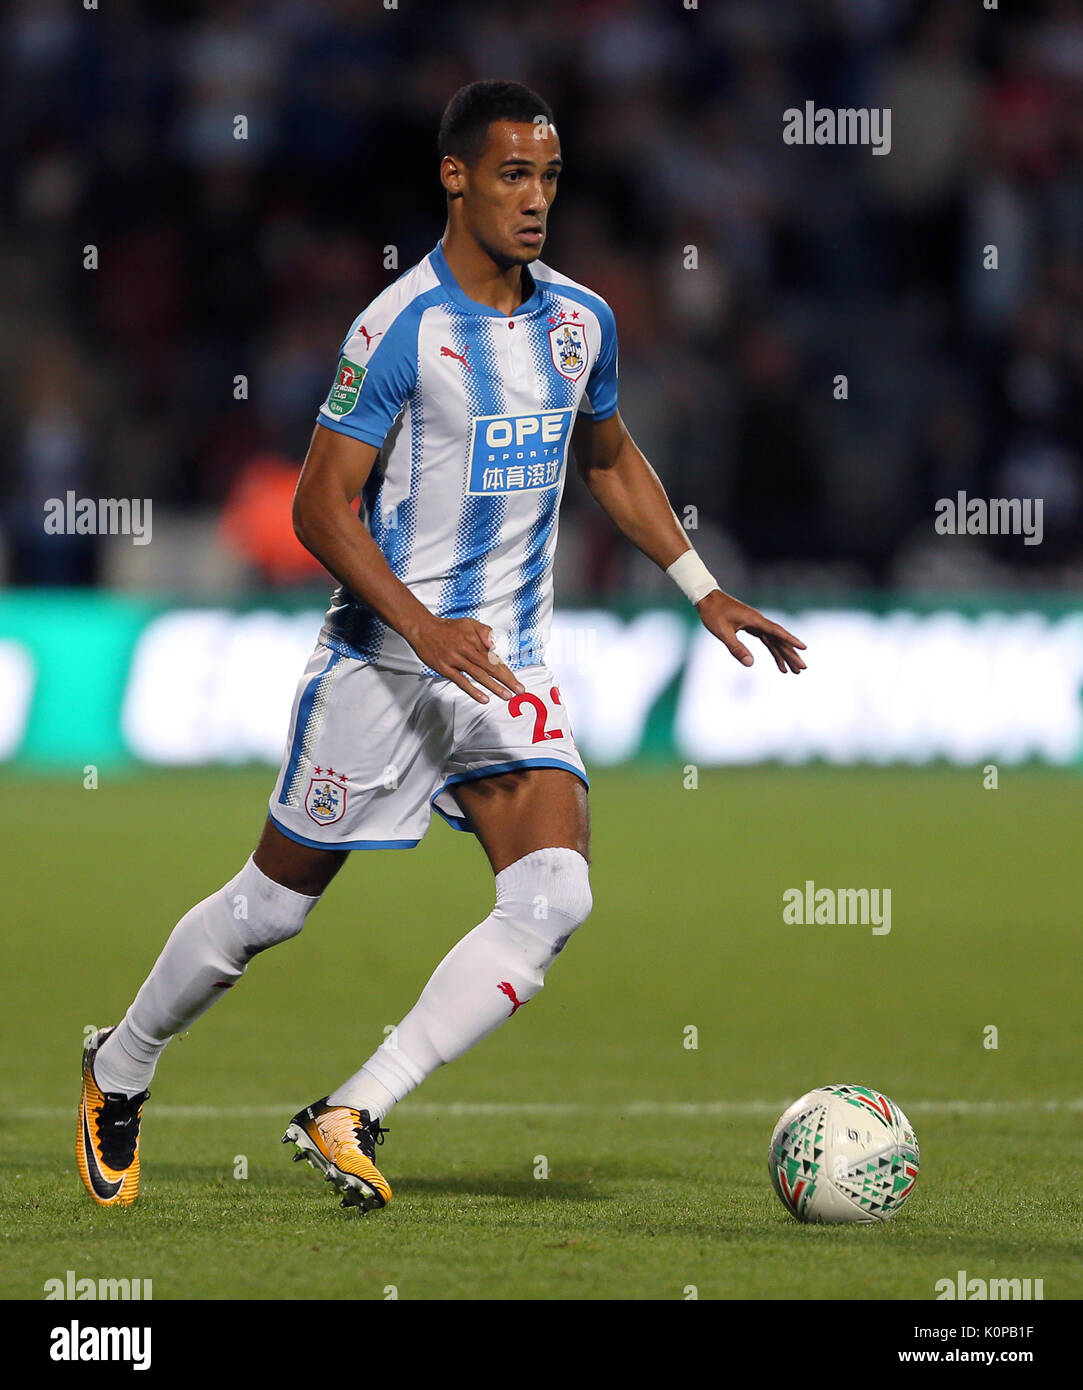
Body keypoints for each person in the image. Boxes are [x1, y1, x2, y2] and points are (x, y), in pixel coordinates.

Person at [77, 79, 806, 1213]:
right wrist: (423, 625)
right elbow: (319, 508)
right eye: (514, 174)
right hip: (384, 662)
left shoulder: (580, 322)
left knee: (556, 893)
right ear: (456, 177)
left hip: (505, 664)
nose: (536, 200)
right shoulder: (399, 327)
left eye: (551, 178)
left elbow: (608, 460)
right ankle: (118, 1065)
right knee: (272, 908)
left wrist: (702, 588)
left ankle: (352, 1106)